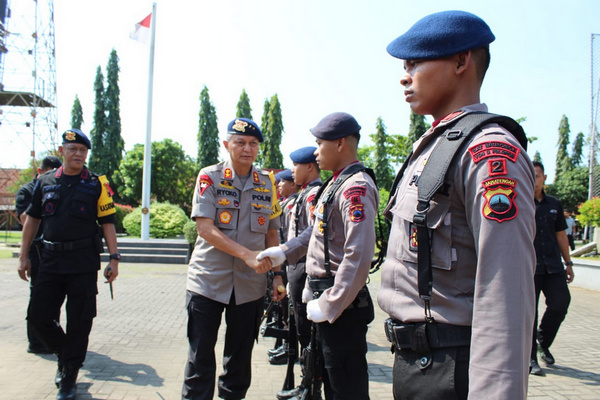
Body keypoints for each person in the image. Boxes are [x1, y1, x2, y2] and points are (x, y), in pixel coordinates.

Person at [377, 11, 536, 399]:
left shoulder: (488, 153)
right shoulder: (436, 147)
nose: (404, 74)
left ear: (462, 61)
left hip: (454, 369)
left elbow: (506, 291)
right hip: (420, 364)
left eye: (416, 62)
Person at [259, 112, 378, 400]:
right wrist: (283, 252)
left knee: (344, 388)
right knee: (326, 379)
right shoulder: (336, 184)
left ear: (340, 143)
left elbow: (358, 254)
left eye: (319, 143)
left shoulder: (355, 187)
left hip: (341, 306)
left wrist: (330, 304)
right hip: (325, 299)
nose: (315, 151)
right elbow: (313, 232)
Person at [183, 117, 285, 400]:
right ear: (226, 144)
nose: (247, 148)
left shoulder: (268, 183)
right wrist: (247, 255)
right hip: (207, 281)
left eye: (253, 144)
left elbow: (272, 234)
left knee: (239, 358)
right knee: (200, 356)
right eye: (240, 142)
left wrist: (277, 275)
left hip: (250, 286)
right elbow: (205, 228)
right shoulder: (209, 177)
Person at [17, 129, 120, 400]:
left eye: (82, 151)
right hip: (50, 261)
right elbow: (32, 221)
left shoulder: (97, 183)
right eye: (73, 149)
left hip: (83, 264)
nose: (78, 154)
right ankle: (66, 354)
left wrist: (114, 259)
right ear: (62, 151)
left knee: (80, 321)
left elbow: (108, 223)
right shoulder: (45, 181)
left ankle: (69, 375)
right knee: (38, 318)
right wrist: (23, 255)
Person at [276, 146, 322, 400]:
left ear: (309, 167)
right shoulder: (305, 194)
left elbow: (312, 234)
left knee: (307, 330)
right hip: (296, 266)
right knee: (301, 328)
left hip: (304, 267)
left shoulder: (314, 194)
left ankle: (311, 385)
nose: (292, 171)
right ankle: (307, 382)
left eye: (295, 166)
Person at [530, 161, 574, 376]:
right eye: (531, 175)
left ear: (544, 178)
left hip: (553, 266)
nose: (534, 179)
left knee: (560, 303)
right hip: (529, 267)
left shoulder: (554, 204)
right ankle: (530, 358)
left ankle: (542, 341)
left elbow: (561, 236)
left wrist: (569, 263)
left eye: (537, 175)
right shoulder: (519, 202)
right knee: (530, 312)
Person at [15, 155, 62, 354]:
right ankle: (35, 341)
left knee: (56, 295)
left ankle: (52, 339)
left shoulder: (57, 189)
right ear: (40, 172)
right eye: (50, 173)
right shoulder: (27, 191)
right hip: (36, 250)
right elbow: (26, 219)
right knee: (38, 295)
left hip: (55, 250)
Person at [267, 169, 299, 365]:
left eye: (282, 182)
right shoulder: (285, 203)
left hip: (289, 261)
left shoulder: (294, 203)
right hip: (283, 260)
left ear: (292, 184)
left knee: (288, 307)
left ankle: (290, 347)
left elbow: (291, 236)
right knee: (283, 307)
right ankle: (286, 343)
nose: (278, 186)